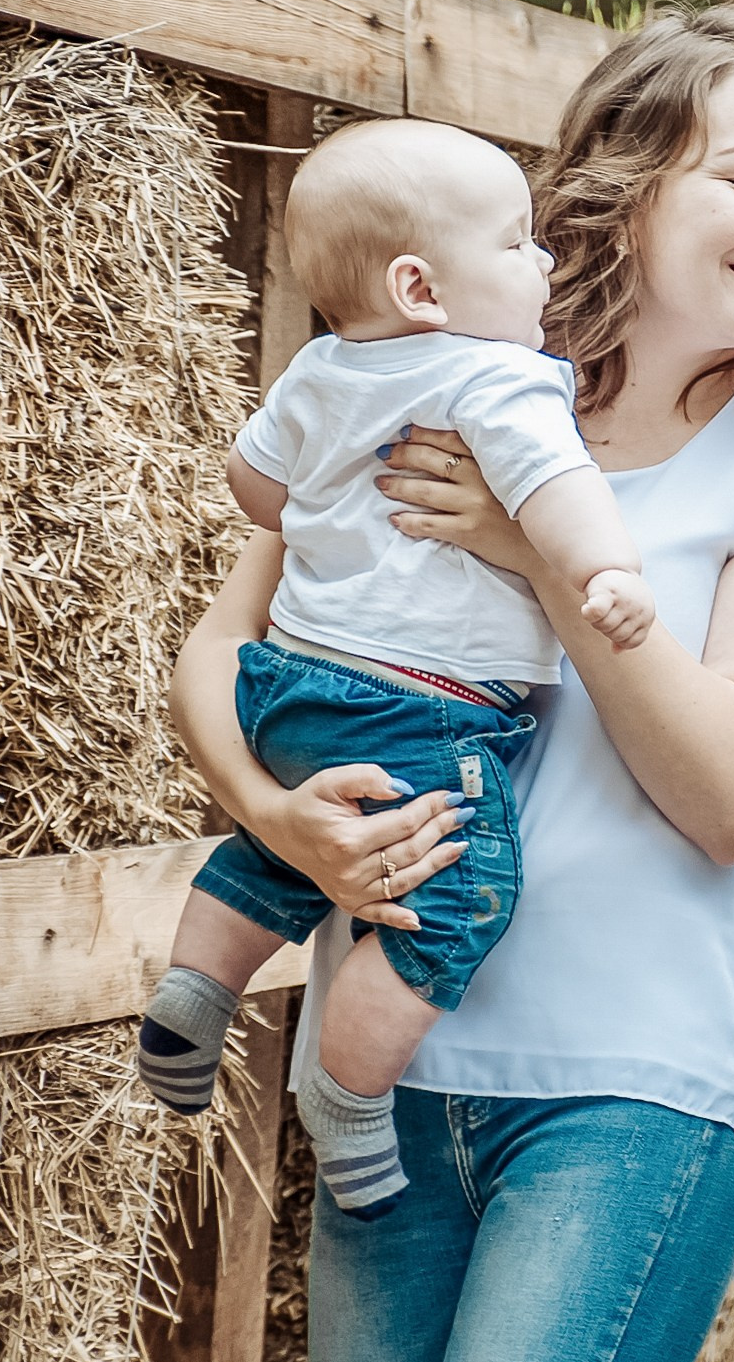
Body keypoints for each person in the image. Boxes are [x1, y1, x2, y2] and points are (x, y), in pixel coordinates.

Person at [168, 5, 734, 1361]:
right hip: (383, 1077)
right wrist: (276, 823)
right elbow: (219, 648)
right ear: (626, 183)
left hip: (631, 1088)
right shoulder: (436, 374)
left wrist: (535, 556)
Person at [136, 119, 657, 1222]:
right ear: (421, 287)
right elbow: (558, 489)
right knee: (456, 896)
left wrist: (336, 497)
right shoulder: (498, 376)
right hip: (421, 706)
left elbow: (254, 488)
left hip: (288, 689)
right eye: (517, 243)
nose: (543, 261)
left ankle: (196, 987)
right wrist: (606, 569)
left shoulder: (321, 368)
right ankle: (346, 1096)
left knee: (287, 855)